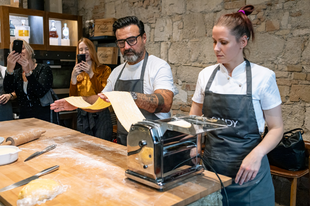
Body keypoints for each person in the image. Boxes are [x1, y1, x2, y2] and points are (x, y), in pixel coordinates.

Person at [189, 5, 283, 206]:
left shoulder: (263, 77)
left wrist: (256, 155)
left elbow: (277, 129)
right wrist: (195, 146)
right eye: (214, 42)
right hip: (212, 172)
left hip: (250, 177)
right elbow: (195, 118)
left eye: (223, 42)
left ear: (243, 42)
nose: (216, 48)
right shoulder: (205, 76)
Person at [51, 16, 175, 146]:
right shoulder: (117, 72)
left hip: (154, 142)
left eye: (131, 40)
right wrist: (77, 102)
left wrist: (128, 97)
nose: (126, 47)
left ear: (144, 38)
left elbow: (165, 103)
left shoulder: (158, 66)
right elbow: (100, 100)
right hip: (124, 142)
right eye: (121, 42)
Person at [70, 38, 112, 141]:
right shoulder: (77, 72)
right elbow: (73, 98)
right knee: (85, 147)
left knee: (102, 146)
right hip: (83, 113)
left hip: (101, 113)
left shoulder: (104, 70)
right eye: (81, 50)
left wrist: (91, 74)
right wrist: (73, 78)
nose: (84, 52)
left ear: (92, 50)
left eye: (86, 49)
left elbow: (104, 94)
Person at [4, 39, 53, 122]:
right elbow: (8, 89)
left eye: (22, 48)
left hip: (43, 118)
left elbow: (40, 92)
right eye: (15, 51)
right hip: (24, 118)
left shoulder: (43, 69)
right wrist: (9, 70)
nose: (20, 52)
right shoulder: (17, 73)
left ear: (30, 51)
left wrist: (28, 72)